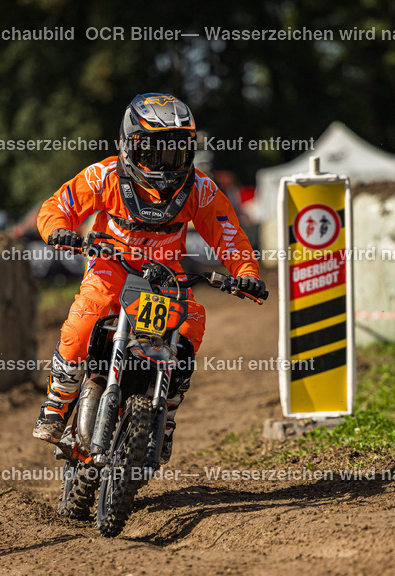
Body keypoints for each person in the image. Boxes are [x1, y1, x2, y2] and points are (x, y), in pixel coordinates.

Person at [31, 93, 266, 464]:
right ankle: (58, 402)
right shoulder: (105, 175)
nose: (164, 164)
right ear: (129, 146)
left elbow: (228, 233)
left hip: (164, 276)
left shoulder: (200, 189)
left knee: (189, 328)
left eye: (175, 154)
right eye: (153, 152)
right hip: (110, 267)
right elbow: (58, 206)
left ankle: (166, 417)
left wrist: (246, 273)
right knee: (83, 321)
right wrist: (59, 230)